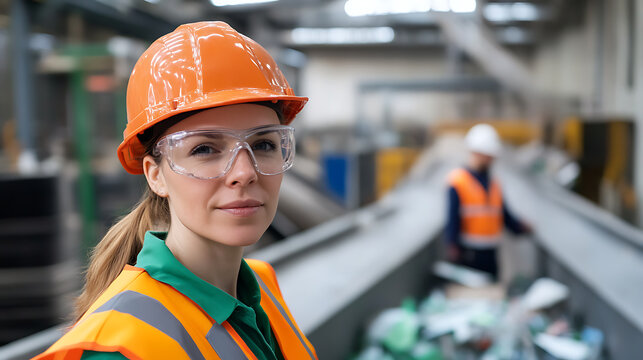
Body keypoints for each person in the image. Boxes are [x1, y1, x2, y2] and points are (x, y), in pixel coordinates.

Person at [35, 21, 317, 360]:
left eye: (264, 144)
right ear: (156, 176)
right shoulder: (120, 349)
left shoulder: (260, 290)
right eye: (205, 150)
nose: (244, 172)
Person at [445, 124, 531, 281]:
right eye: (488, 155)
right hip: (469, 254)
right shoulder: (458, 181)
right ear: (476, 153)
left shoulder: (494, 184)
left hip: (491, 253)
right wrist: (453, 246)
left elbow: (504, 215)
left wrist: (520, 227)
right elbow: (452, 219)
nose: (491, 159)